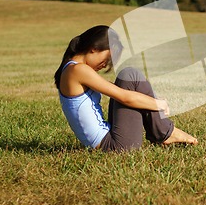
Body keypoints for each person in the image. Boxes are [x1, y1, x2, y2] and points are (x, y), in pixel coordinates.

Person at [54, 25, 198, 152]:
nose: (105, 65)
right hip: (117, 146)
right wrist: (159, 104)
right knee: (130, 75)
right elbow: (124, 97)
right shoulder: (77, 70)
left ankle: (164, 131)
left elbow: (120, 90)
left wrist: (151, 101)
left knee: (128, 76)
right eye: (106, 58)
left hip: (110, 139)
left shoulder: (72, 69)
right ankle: (165, 132)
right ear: (94, 49)